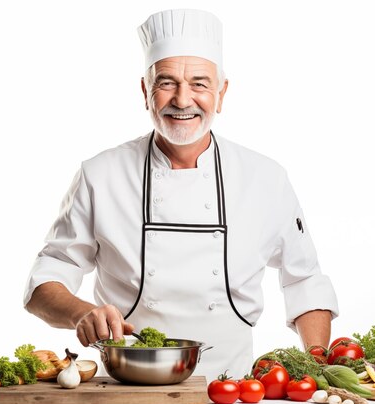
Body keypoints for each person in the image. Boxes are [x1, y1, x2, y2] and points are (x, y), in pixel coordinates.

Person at [24, 9, 338, 381]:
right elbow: (45, 279)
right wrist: (81, 312)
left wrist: (317, 369)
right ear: (145, 91)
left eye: (200, 84)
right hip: (126, 387)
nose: (183, 99)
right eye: (167, 82)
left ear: (221, 94)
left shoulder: (266, 178)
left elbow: (303, 279)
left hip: (232, 389)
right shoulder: (100, 174)